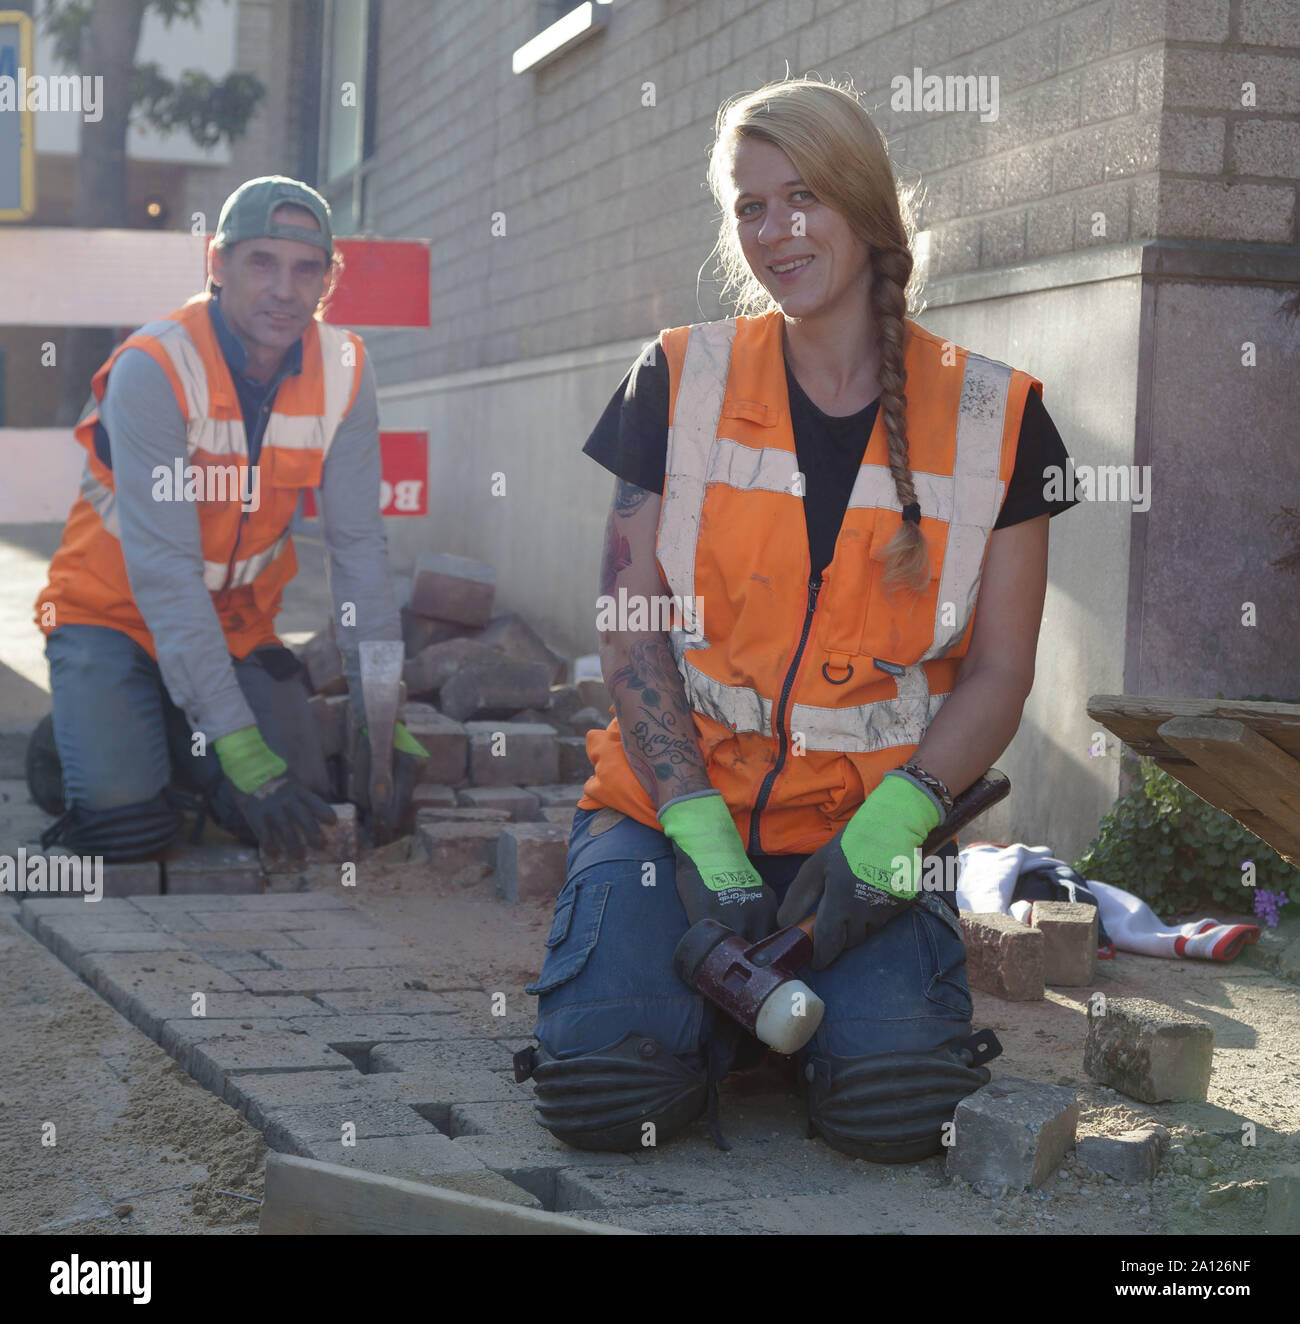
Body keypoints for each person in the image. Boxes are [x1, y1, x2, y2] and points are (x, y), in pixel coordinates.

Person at [515, 78, 1081, 1161]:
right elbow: (632, 628)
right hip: (671, 820)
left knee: (896, 1112)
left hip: (859, 835)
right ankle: (713, 1020)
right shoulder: (676, 379)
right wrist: (690, 821)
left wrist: (903, 817)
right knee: (601, 1099)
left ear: (867, 207)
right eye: (749, 206)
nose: (776, 231)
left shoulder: (998, 417)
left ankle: (759, 1020)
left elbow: (1002, 666)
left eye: (804, 196)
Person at [31, 176, 428, 862]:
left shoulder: (346, 369)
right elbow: (164, 573)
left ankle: (167, 720)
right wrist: (240, 750)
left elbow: (359, 545)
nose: (285, 289)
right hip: (111, 614)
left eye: (307, 269)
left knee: (295, 801)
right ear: (217, 264)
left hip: (233, 621)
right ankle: (89, 728)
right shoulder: (156, 367)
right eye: (262, 263)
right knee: (126, 832)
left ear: (329, 280)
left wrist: (378, 704)